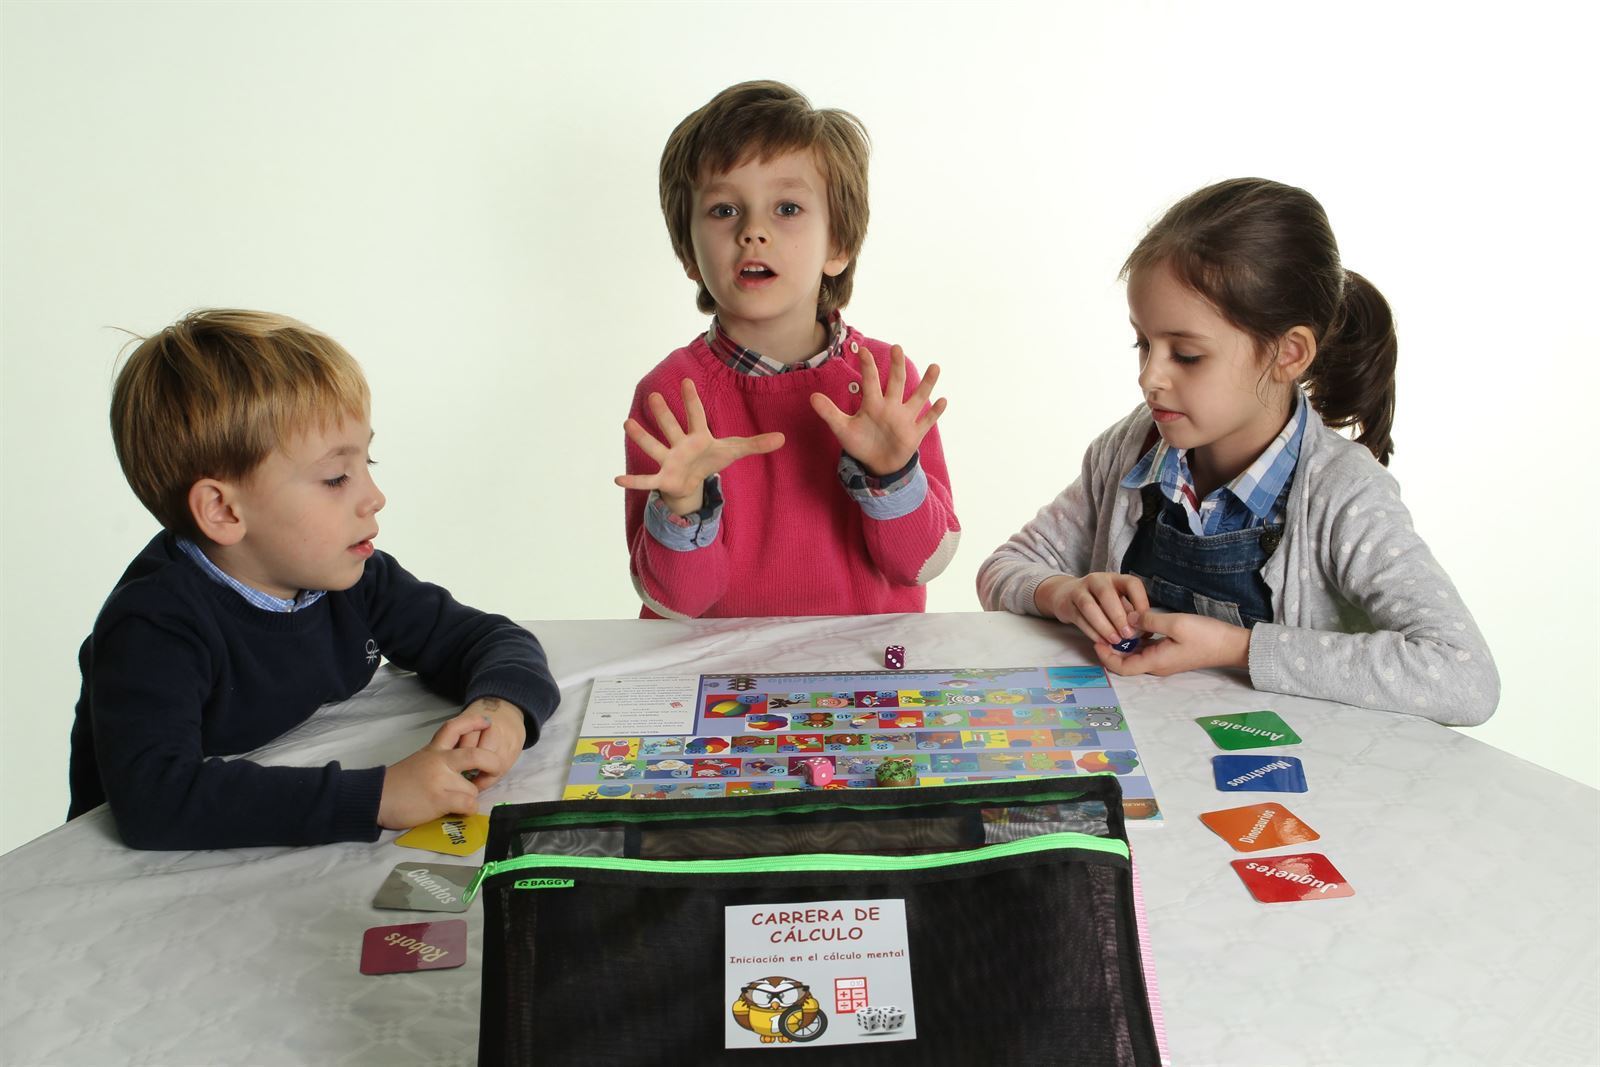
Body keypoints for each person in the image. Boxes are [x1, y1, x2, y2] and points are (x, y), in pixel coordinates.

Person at [977, 178, 1498, 724]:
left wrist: (1237, 648)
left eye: (1187, 354)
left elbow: (1464, 676)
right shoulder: (1130, 450)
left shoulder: (1344, 495)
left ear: (1288, 353)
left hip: (1280, 783)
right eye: (1144, 344)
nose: (1150, 377)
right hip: (1146, 757)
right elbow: (1003, 568)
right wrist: (1063, 593)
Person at [69, 309, 560, 849]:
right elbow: (156, 800)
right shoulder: (153, 626)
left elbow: (490, 638)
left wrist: (502, 707)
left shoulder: (354, 578)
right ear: (224, 511)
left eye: (367, 461)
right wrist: (377, 795)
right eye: (335, 477)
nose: (374, 496)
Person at [616, 80, 960, 619]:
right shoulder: (668, 396)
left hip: (863, 679)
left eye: (788, 208)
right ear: (689, 253)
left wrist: (892, 475)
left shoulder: (883, 382)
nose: (754, 231)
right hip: (722, 684)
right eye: (725, 211)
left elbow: (922, 563)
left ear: (838, 244)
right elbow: (678, 606)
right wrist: (683, 507)